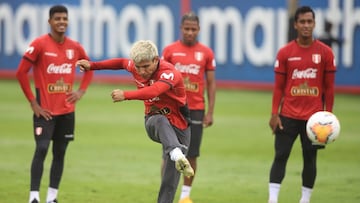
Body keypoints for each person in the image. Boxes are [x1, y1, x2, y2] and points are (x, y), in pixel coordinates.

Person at [76, 40, 194, 203]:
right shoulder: (136, 66)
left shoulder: (170, 73)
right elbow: (121, 62)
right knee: (160, 120)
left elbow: (154, 91)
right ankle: (175, 152)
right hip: (153, 121)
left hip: (179, 126)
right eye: (138, 67)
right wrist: (92, 65)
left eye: (145, 66)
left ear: (156, 60)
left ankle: (175, 153)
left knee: (169, 183)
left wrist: (126, 95)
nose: (141, 71)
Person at [16, 5, 93, 203]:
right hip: (45, 112)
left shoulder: (74, 47)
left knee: (60, 153)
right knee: (41, 149)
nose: (61, 22)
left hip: (67, 111)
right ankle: (33, 197)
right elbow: (21, 73)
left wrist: (81, 90)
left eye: (64, 19)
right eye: (57, 18)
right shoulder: (39, 44)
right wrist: (33, 102)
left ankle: (52, 197)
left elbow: (89, 67)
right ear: (49, 21)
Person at [268, 6, 336, 203]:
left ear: (314, 24)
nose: (306, 25)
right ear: (295, 25)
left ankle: (305, 200)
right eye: (302, 22)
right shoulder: (285, 52)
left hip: (314, 120)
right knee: (280, 156)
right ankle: (272, 199)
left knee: (310, 159)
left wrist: (328, 117)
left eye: (309, 21)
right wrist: (274, 113)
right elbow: (278, 87)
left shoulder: (325, 53)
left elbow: (329, 89)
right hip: (287, 116)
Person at [161, 11, 216, 203]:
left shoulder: (206, 53)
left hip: (196, 109)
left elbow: (211, 83)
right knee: (169, 153)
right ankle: (167, 193)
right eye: (187, 29)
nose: (190, 32)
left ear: (199, 30)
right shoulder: (169, 51)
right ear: (181, 29)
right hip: (173, 108)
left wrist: (210, 111)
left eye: (193, 29)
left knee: (191, 154)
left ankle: (185, 196)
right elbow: (161, 80)